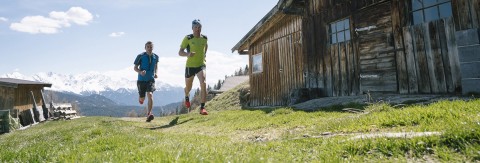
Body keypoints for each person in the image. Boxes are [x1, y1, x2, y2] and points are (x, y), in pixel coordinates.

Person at [178, 19, 208, 115]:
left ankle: (202, 108)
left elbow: (205, 46)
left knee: (203, 83)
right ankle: (186, 95)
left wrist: (204, 55)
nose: (198, 29)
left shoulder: (204, 38)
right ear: (192, 28)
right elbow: (180, 52)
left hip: (201, 65)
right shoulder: (188, 38)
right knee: (188, 87)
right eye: (195, 27)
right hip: (190, 66)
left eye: (199, 27)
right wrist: (188, 54)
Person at [134, 41, 159, 122]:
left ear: (153, 48)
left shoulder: (156, 57)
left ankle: (149, 113)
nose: (149, 48)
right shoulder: (140, 56)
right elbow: (135, 68)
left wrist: (156, 73)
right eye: (148, 47)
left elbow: (156, 66)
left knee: (150, 94)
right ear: (145, 48)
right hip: (141, 80)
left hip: (150, 79)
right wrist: (140, 72)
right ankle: (141, 99)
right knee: (142, 98)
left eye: (151, 47)